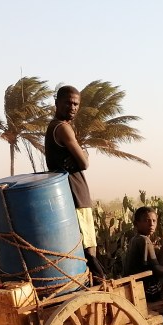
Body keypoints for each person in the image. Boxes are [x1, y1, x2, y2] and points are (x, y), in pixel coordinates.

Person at [45, 85, 106, 280]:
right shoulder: (62, 128)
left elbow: (81, 158)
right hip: (76, 194)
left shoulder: (55, 127)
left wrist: (81, 154)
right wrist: (83, 154)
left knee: (81, 247)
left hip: (68, 192)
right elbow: (85, 163)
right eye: (68, 103)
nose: (72, 107)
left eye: (76, 104)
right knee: (89, 248)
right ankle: (102, 283)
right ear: (57, 103)